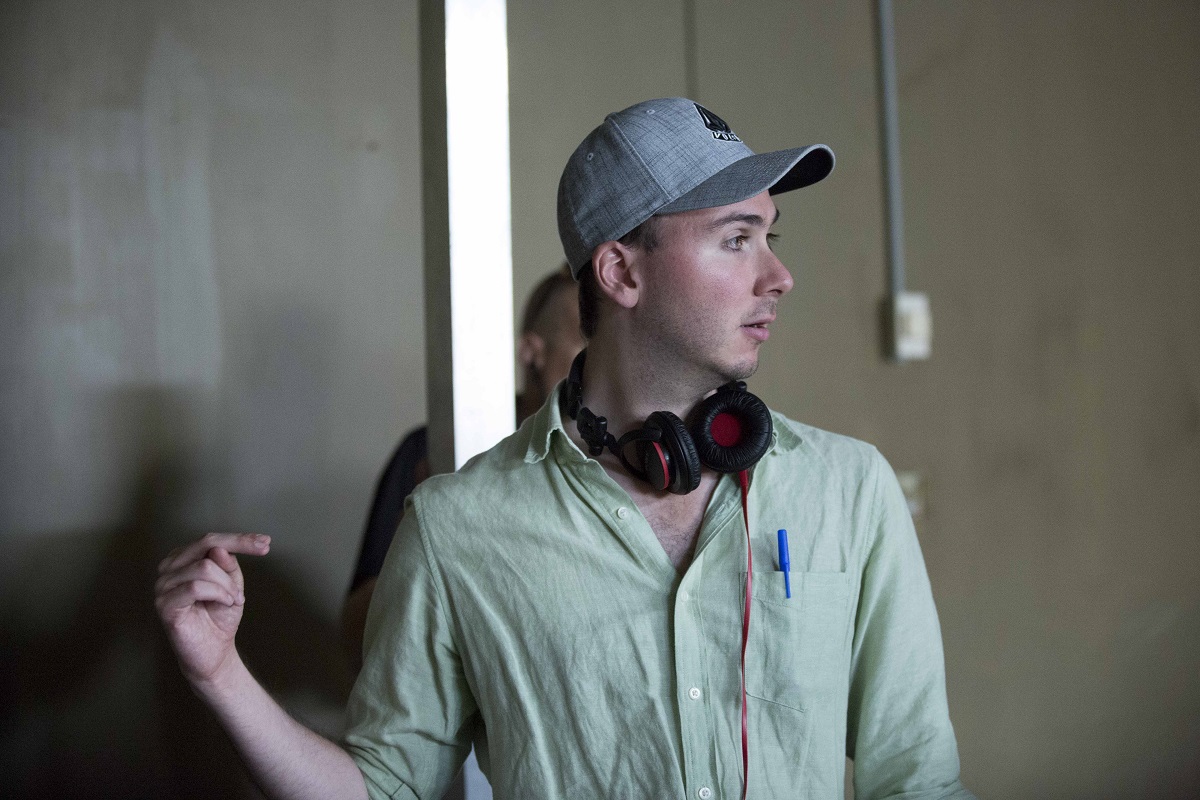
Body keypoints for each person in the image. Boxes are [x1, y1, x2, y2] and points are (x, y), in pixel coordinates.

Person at [155, 97, 976, 799]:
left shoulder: (848, 489)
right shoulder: (456, 526)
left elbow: (918, 781)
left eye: (771, 236)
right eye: (737, 238)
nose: (779, 276)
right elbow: (383, 788)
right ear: (621, 273)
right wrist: (220, 676)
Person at [339, 265, 582, 672]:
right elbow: (353, 636)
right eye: (585, 343)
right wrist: (419, 543)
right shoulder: (430, 450)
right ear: (531, 351)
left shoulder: (604, 466)